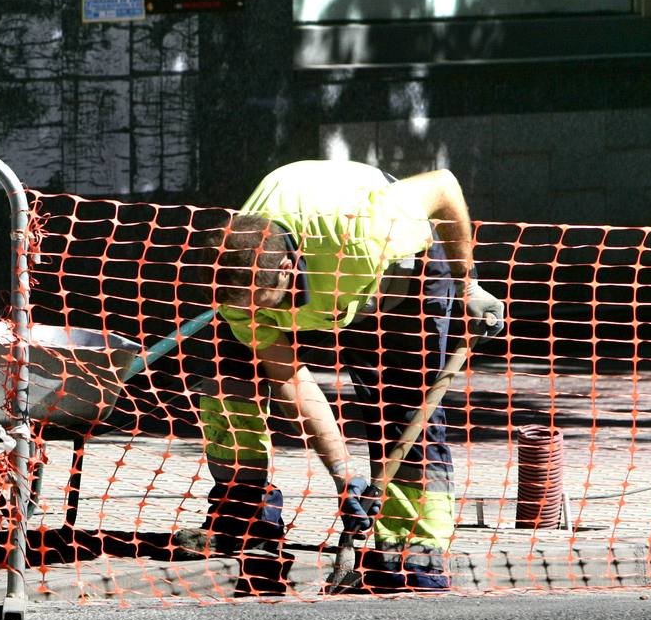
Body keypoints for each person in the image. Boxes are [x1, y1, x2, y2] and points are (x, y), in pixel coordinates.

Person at [181, 160, 505, 592]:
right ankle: (245, 518)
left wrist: (467, 285)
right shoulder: (239, 290)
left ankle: (412, 553)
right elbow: (291, 378)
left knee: (406, 409)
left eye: (262, 302)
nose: (255, 315)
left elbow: (444, 185)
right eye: (246, 307)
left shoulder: (367, 229)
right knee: (229, 380)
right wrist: (341, 474)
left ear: (285, 271)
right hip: (332, 279)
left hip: (399, 280)